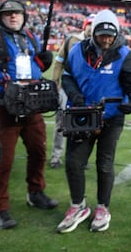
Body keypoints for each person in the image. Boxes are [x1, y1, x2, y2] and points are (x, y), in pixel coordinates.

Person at [57, 9, 131, 233]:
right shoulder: (77, 50)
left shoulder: (125, 54)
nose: (105, 39)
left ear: (116, 34)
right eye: (101, 34)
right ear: (93, 32)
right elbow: (67, 76)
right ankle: (78, 205)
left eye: (109, 35)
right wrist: (75, 96)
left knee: (104, 164)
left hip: (111, 118)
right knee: (73, 162)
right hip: (81, 115)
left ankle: (102, 207)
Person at [0, 0, 57, 229]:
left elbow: (33, 67)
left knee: (38, 150)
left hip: (32, 104)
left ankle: (35, 192)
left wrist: (42, 64)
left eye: (17, 13)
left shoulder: (32, 37)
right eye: (8, 14)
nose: (13, 17)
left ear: (24, 15)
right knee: (3, 160)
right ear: (0, 17)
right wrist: (5, 86)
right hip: (5, 107)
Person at [49, 14, 96, 168]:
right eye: (90, 24)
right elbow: (59, 62)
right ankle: (56, 156)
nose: (92, 27)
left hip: (87, 91)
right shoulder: (72, 40)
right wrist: (55, 82)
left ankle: (82, 158)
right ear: (85, 25)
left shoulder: (99, 43)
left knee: (87, 124)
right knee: (61, 123)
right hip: (67, 88)